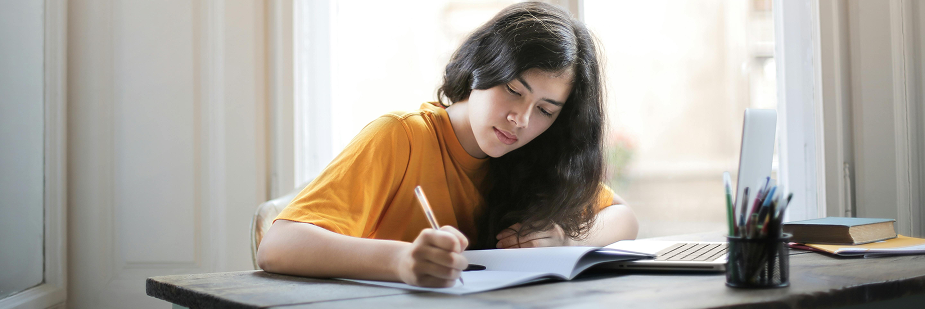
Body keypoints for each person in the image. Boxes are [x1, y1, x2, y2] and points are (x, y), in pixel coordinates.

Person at [257, 1, 638, 288]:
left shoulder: (534, 156)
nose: (521, 119)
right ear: (481, 67)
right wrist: (401, 260)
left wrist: (565, 240)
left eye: (545, 110)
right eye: (513, 90)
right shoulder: (402, 137)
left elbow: (623, 217)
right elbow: (278, 246)